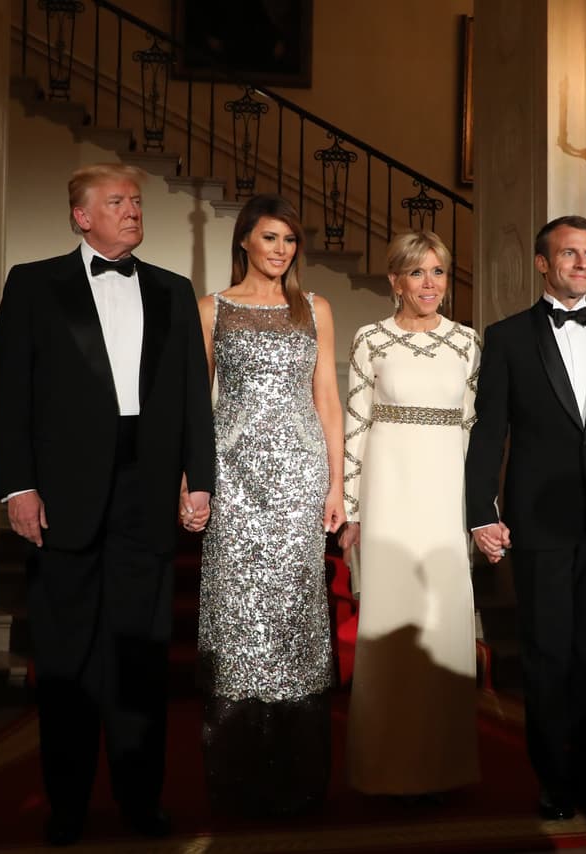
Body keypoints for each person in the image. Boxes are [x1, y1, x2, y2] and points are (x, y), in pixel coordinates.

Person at [0, 163, 215, 845]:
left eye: (136, 202)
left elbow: (190, 400)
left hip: (144, 494)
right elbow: (11, 393)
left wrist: (198, 478)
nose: (131, 211)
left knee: (141, 659)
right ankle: (67, 806)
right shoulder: (33, 285)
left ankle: (141, 802)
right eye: (116, 202)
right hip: (61, 498)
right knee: (65, 660)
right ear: (80, 216)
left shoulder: (174, 292)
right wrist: (17, 485)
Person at [464, 215, 586, 826]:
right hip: (538, 522)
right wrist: (479, 511)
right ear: (543, 264)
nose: (581, 263)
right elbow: (489, 433)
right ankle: (551, 781)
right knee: (547, 655)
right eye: (569, 254)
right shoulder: (509, 336)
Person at [195, 193, 345, 816]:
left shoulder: (315, 308)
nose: (281, 250)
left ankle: (299, 777)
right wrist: (193, 479)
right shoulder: (210, 308)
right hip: (234, 480)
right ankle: (238, 775)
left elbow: (328, 399)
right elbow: (196, 403)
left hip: (300, 482)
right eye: (270, 238)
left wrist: (337, 484)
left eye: (289, 240)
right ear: (245, 242)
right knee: (237, 617)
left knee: (295, 619)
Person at [339, 231, 482, 799]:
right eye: (417, 273)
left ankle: (444, 768)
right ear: (395, 281)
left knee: (443, 627)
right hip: (388, 499)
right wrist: (349, 508)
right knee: (388, 628)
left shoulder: (468, 342)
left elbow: (473, 431)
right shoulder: (369, 340)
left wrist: (478, 512)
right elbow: (354, 427)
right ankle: (382, 767)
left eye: (439, 272)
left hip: (446, 500)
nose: (430, 284)